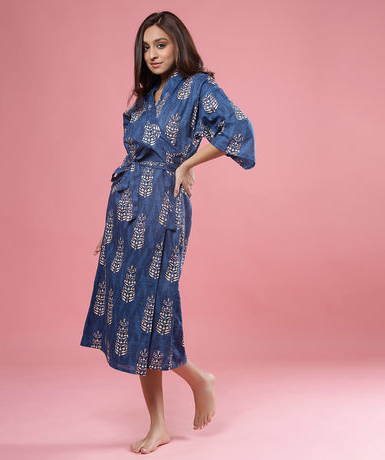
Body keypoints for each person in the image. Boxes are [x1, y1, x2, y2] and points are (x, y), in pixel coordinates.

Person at [80, 10, 255, 454]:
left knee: (153, 306)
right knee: (131, 313)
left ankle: (198, 379)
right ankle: (157, 425)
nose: (152, 54)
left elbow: (238, 130)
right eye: (146, 47)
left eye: (161, 44)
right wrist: (109, 228)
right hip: (126, 208)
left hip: (163, 206)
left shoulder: (198, 87)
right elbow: (131, 161)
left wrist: (186, 164)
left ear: (178, 44)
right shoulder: (145, 97)